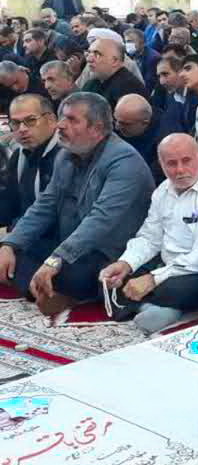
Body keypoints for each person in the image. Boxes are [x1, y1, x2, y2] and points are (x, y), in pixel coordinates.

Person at [0, 93, 153, 315]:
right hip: (71, 245)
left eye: (71, 119)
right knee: (14, 252)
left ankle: (55, 291)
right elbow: (45, 205)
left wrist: (56, 260)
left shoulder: (124, 162)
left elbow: (99, 221)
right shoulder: (66, 155)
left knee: (77, 273)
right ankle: (51, 292)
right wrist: (10, 245)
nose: (61, 125)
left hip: (107, 253)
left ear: (96, 128)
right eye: (62, 117)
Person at [100, 134, 198, 335]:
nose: (179, 170)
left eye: (186, 161)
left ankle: (149, 305)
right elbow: (149, 237)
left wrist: (153, 279)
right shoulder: (163, 190)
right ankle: (154, 308)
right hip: (166, 266)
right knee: (109, 273)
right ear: (161, 164)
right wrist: (126, 263)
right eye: (171, 163)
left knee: (173, 289)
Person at [0, 93, 59, 228]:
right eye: (15, 123)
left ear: (51, 120)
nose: (22, 129)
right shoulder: (18, 156)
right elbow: (7, 202)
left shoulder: (67, 157)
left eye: (31, 120)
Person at [83, 37, 147, 109]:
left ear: (114, 61)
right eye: (89, 53)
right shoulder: (94, 81)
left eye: (97, 54)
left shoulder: (129, 88)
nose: (89, 59)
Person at [114, 94, 162, 181]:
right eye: (116, 120)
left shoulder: (163, 142)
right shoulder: (116, 129)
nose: (117, 127)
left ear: (145, 123)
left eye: (125, 124)